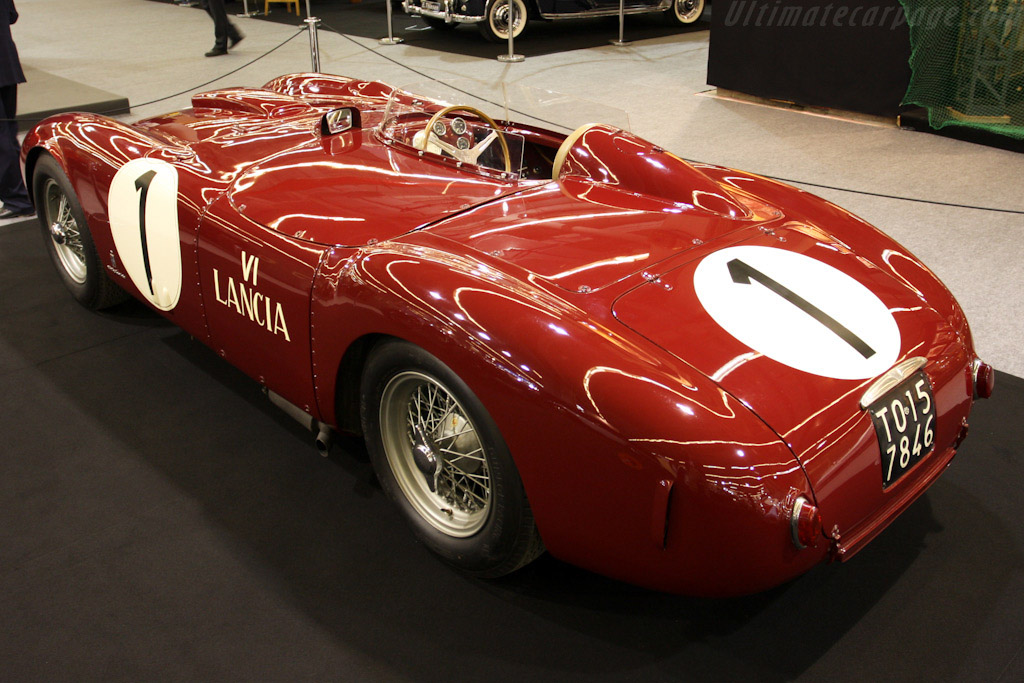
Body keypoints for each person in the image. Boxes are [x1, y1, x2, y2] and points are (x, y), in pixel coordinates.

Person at [0, 0, 32, 219]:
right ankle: (20, 195)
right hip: (7, 65)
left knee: (3, 138)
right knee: (8, 133)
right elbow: (12, 15)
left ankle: (18, 199)